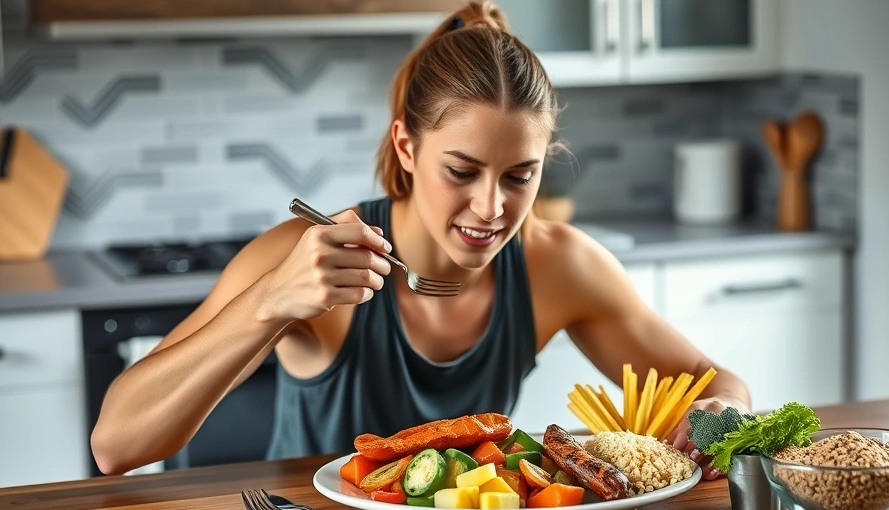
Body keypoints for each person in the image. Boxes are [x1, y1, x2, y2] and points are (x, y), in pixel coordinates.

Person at [90, 1, 751, 481]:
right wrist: (271, 301)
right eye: (461, 172)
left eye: (520, 176)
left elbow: (720, 385)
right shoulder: (308, 255)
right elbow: (116, 445)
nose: (491, 208)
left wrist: (720, 410)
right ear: (407, 146)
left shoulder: (559, 265)